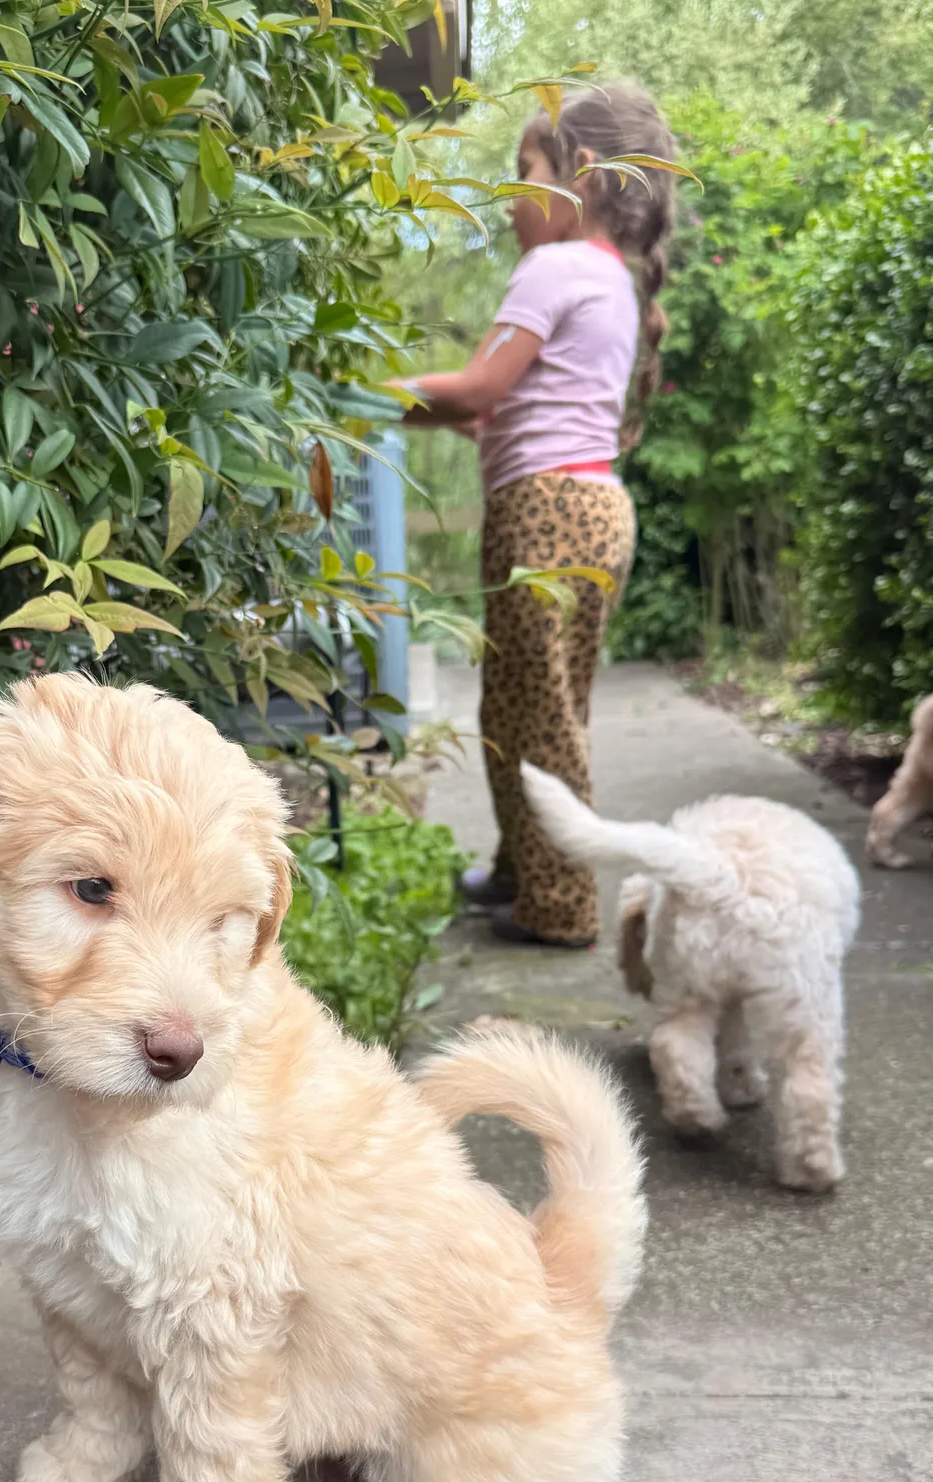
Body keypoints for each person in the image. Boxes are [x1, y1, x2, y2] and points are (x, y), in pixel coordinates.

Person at [399, 84, 678, 946]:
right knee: (533, 706)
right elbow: (496, 409)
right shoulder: (614, 281)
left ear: (581, 175)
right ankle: (524, 871)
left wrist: (351, 398)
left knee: (534, 715)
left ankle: (560, 906)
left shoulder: (555, 267)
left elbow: (479, 391)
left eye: (522, 171)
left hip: (546, 515)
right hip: (591, 509)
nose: (511, 192)